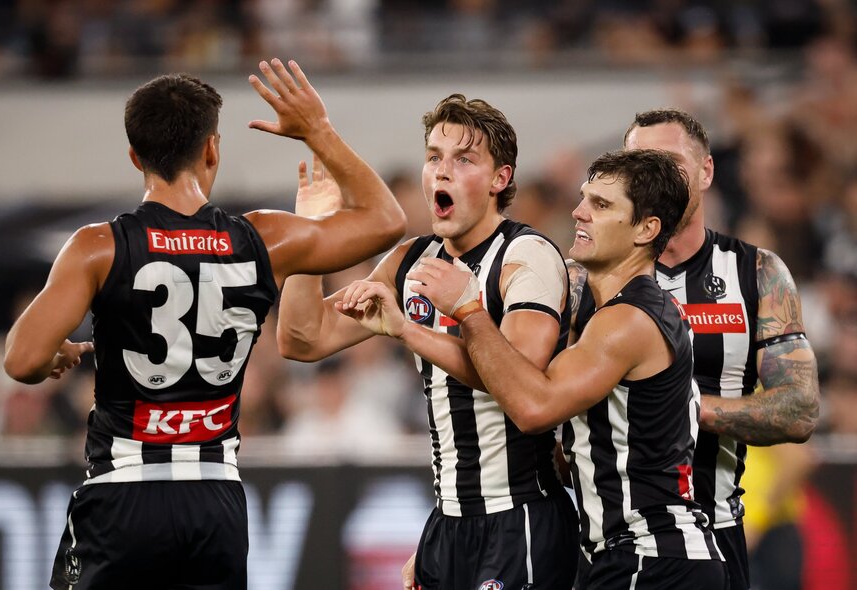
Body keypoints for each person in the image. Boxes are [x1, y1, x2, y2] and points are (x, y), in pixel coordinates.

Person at [3, 59, 406, 590]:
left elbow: (21, 360)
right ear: (212, 149)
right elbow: (387, 221)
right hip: (215, 497)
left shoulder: (98, 246)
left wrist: (52, 356)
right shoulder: (262, 239)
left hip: (125, 490)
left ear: (134, 157)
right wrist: (317, 130)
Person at [276, 94, 579, 590]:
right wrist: (310, 237)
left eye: (464, 160)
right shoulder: (410, 259)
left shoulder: (526, 255)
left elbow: (522, 386)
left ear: (501, 179)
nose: (443, 172)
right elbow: (302, 339)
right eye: (434, 157)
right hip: (446, 522)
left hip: (519, 516)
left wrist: (408, 331)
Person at [410, 148, 727, 588]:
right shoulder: (607, 311)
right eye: (583, 198)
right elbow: (582, 455)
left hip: (651, 557)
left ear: (646, 229)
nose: (579, 213)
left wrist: (468, 309)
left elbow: (533, 407)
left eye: (601, 205)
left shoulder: (629, 319)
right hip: (627, 553)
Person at [569, 109, 820, 590]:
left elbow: (800, 408)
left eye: (667, 161)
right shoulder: (579, 279)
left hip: (718, 532)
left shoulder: (757, 274)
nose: (653, 175)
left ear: (706, 171)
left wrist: (679, 408)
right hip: (608, 538)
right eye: (637, 162)